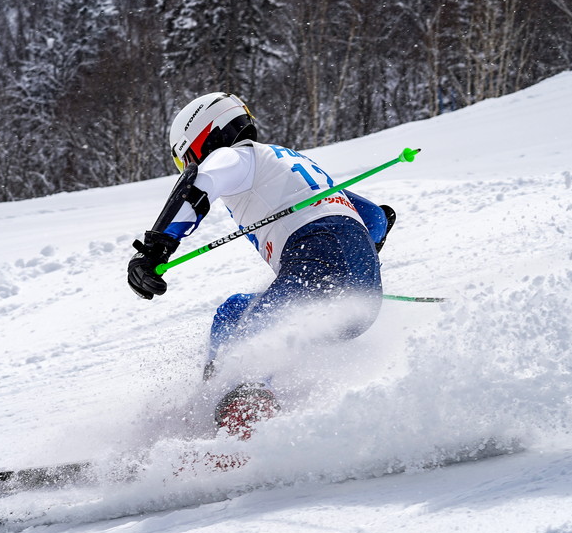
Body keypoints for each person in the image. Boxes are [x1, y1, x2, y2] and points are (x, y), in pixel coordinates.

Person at [127, 92, 396, 438]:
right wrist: (358, 264)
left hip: (317, 259)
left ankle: (244, 424)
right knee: (234, 313)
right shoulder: (288, 161)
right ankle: (220, 403)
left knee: (257, 333)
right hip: (361, 296)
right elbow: (377, 218)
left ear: (202, 140)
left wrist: (153, 251)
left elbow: (198, 185)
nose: (189, 167)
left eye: (187, 160)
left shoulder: (236, 157)